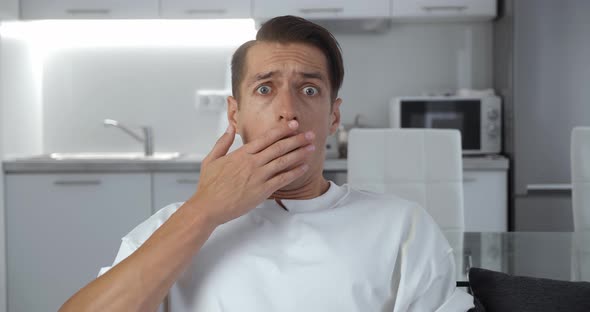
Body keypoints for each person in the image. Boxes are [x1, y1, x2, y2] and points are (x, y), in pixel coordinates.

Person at [60, 15, 474, 312]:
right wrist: (204, 211)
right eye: (264, 88)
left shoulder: (403, 228)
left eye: (309, 89)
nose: (288, 112)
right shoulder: (174, 227)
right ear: (235, 115)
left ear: (333, 117)